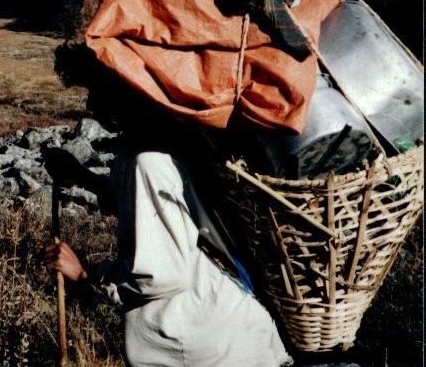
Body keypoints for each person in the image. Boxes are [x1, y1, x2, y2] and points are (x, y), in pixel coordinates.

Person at [42, 98, 292, 367]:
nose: (91, 102)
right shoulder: (149, 147)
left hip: (209, 350)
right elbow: (138, 201)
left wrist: (86, 274)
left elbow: (161, 276)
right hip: (224, 337)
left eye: (99, 88)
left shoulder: (148, 161)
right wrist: (82, 177)